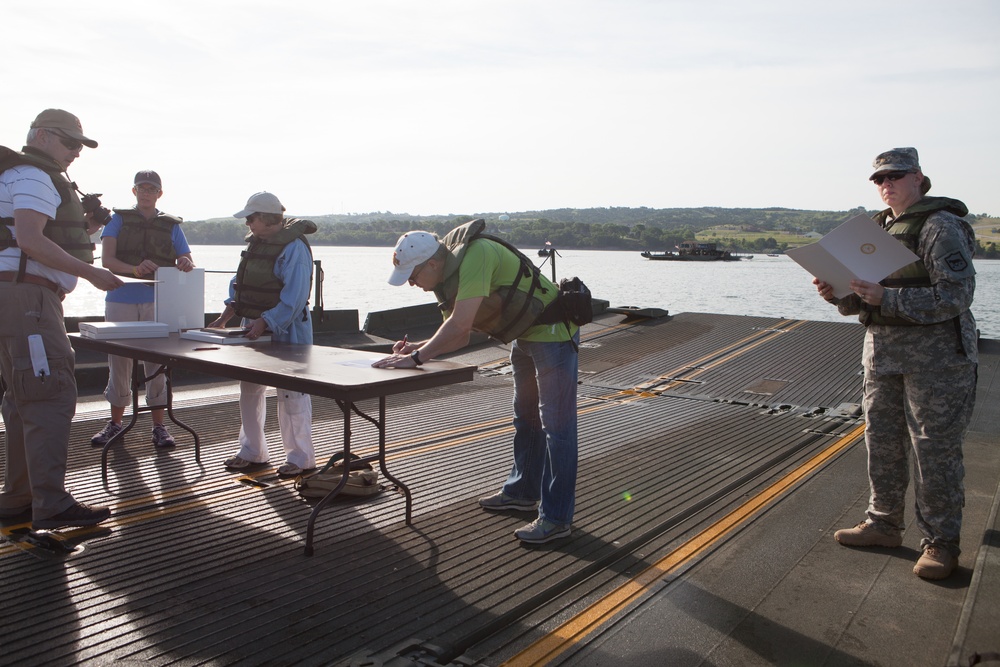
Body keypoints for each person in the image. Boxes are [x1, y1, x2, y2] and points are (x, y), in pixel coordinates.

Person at [813, 147, 978, 580]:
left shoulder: (941, 226)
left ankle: (941, 544)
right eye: (879, 180)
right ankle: (884, 523)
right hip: (882, 354)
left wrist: (889, 297)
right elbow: (859, 300)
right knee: (882, 442)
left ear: (919, 178)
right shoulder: (877, 229)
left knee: (934, 450)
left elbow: (955, 296)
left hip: (936, 360)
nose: (887, 185)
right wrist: (836, 293)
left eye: (896, 177)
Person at [372, 221, 580, 544]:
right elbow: (455, 336)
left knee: (557, 427)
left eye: (413, 275)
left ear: (432, 263)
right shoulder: (445, 277)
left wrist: (414, 360)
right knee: (526, 419)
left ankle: (556, 518)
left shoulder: (476, 256)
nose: (412, 284)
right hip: (525, 335)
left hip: (554, 333)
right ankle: (522, 493)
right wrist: (417, 348)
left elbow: (458, 327)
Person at [0, 109, 124, 529]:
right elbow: (31, 241)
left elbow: (29, 236)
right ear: (41, 136)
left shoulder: (17, 176)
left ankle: (18, 497)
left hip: (15, 297)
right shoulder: (34, 176)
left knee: (22, 398)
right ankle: (50, 504)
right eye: (69, 142)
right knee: (50, 393)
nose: (75, 152)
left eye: (79, 145)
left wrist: (86, 227)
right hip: (29, 300)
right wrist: (93, 273)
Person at [209, 192, 317, 477]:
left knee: (292, 393)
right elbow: (240, 285)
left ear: (268, 219)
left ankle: (300, 458)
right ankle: (252, 450)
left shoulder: (294, 248)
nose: (247, 222)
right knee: (250, 389)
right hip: (252, 328)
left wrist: (265, 322)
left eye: (251, 217)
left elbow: (294, 297)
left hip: (288, 329)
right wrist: (225, 317)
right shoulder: (256, 244)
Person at [90, 170, 195, 450]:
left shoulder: (172, 225)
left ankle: (159, 426)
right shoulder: (118, 220)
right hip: (120, 299)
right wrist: (134, 269)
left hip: (159, 300)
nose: (146, 192)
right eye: (141, 188)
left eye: (152, 189)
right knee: (119, 362)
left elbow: (186, 257)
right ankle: (115, 424)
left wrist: (185, 262)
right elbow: (108, 261)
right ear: (133, 191)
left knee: (157, 364)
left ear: (160, 193)